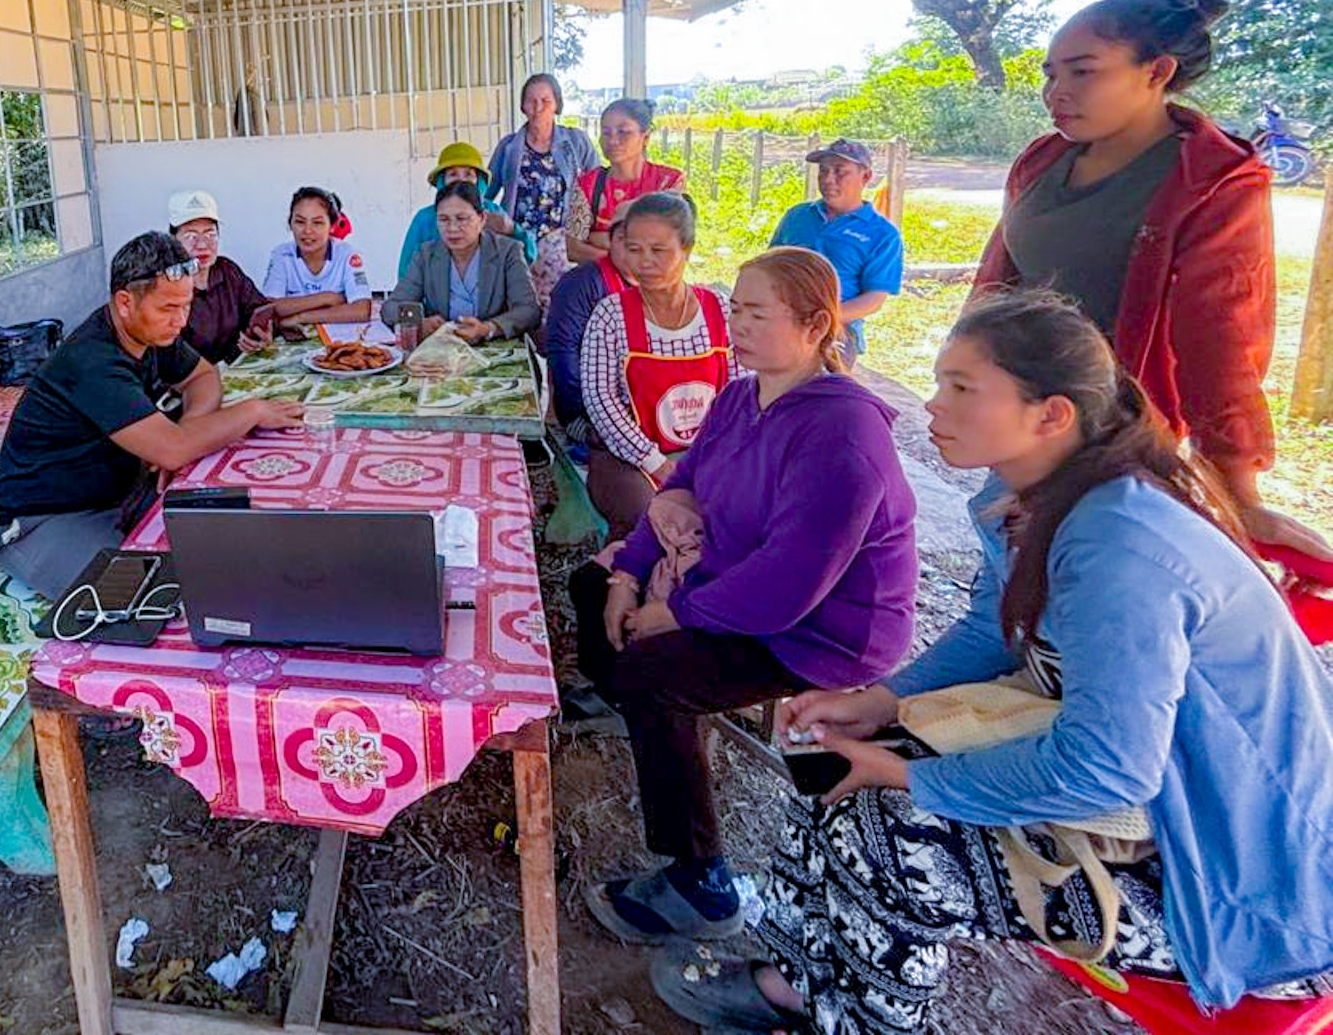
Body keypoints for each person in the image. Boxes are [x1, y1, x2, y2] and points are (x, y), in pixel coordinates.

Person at [655, 290, 1333, 1034]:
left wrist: (910, 776)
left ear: (1051, 415)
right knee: (828, 761)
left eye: (962, 387)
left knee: (882, 836)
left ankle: (862, 1019)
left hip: (1238, 874)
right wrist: (884, 702)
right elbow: (993, 627)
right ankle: (797, 981)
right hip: (1160, 793)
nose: (933, 405)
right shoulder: (1020, 489)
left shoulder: (1123, 549)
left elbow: (1109, 767)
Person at [568, 247, 917, 947]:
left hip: (819, 633)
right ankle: (625, 704)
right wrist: (630, 575)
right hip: (736, 584)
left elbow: (787, 588)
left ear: (816, 326)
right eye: (735, 310)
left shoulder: (842, 433)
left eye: (758, 313)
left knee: (655, 674)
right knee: (591, 582)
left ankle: (700, 883)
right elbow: (681, 489)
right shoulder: (739, 397)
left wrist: (672, 613)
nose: (738, 326)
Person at [973, 0, 1330, 564]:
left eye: (1083, 71)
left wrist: (1238, 492)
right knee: (1002, 580)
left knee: (1061, 589)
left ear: (1157, 71)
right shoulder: (1044, 159)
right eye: (1050, 73)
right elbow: (999, 282)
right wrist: (964, 381)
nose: (1056, 92)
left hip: (1107, 442)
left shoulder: (1209, 179)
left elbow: (1220, 336)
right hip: (1013, 417)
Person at [0, 232, 306, 596]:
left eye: (186, 305)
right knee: (141, 597)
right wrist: (251, 411)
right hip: (41, 520)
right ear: (125, 302)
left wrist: (186, 432)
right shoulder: (93, 361)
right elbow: (173, 450)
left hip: (119, 496)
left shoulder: (149, 332)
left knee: (229, 545)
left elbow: (203, 377)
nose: (180, 321)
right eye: (168, 308)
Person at [579, 194, 737, 534]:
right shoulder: (610, 315)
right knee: (654, 523)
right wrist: (656, 463)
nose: (645, 262)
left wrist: (712, 460)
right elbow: (600, 400)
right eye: (634, 249)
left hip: (707, 454)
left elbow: (739, 392)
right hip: (628, 458)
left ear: (687, 249)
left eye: (658, 250)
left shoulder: (720, 310)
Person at [769, 138, 904, 367]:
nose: (828, 179)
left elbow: (874, 299)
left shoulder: (882, 234)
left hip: (837, 328)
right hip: (781, 317)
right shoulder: (797, 216)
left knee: (821, 382)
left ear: (866, 177)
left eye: (840, 171)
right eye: (824, 170)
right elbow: (769, 267)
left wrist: (823, 319)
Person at [487, 73, 601, 303]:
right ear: (523, 106)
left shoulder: (575, 142)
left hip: (562, 243)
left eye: (546, 101)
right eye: (531, 101)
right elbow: (487, 190)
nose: (538, 107)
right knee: (522, 302)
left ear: (557, 104)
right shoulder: (509, 146)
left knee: (561, 302)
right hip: (518, 239)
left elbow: (597, 186)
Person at [382, 181, 540, 343]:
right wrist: (419, 323)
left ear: (482, 219)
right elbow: (390, 307)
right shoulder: (426, 255)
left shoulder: (507, 251)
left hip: (495, 347)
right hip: (442, 347)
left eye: (462, 219)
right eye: (443, 219)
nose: (452, 228)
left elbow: (529, 310)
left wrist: (488, 328)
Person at [566, 98, 685, 265]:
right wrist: (629, 256)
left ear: (645, 137)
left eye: (623, 132)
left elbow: (665, 246)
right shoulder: (588, 185)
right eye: (606, 132)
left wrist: (598, 238)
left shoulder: (668, 183)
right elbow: (573, 249)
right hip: (601, 281)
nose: (613, 140)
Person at [545, 230, 630, 453]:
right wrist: (582, 414)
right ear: (614, 240)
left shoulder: (658, 285)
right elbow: (564, 355)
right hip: (587, 412)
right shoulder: (580, 284)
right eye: (629, 240)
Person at [396, 141, 535, 276]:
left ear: (479, 181)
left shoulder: (494, 213)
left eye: (468, 174)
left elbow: (527, 257)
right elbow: (406, 272)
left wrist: (512, 230)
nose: (461, 181)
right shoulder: (425, 219)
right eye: (453, 174)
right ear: (442, 181)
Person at [166, 189, 272, 366]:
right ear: (173, 241)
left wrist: (260, 334)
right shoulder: (167, 284)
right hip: (191, 377)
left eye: (210, 234)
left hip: (235, 370)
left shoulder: (227, 271)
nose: (202, 244)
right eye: (191, 236)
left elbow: (258, 309)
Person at [261, 186, 373, 327]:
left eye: (317, 223)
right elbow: (269, 307)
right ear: (290, 223)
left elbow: (362, 311)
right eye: (300, 222)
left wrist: (301, 317)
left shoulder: (348, 255)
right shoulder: (282, 255)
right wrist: (326, 298)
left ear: (332, 226)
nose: (307, 231)